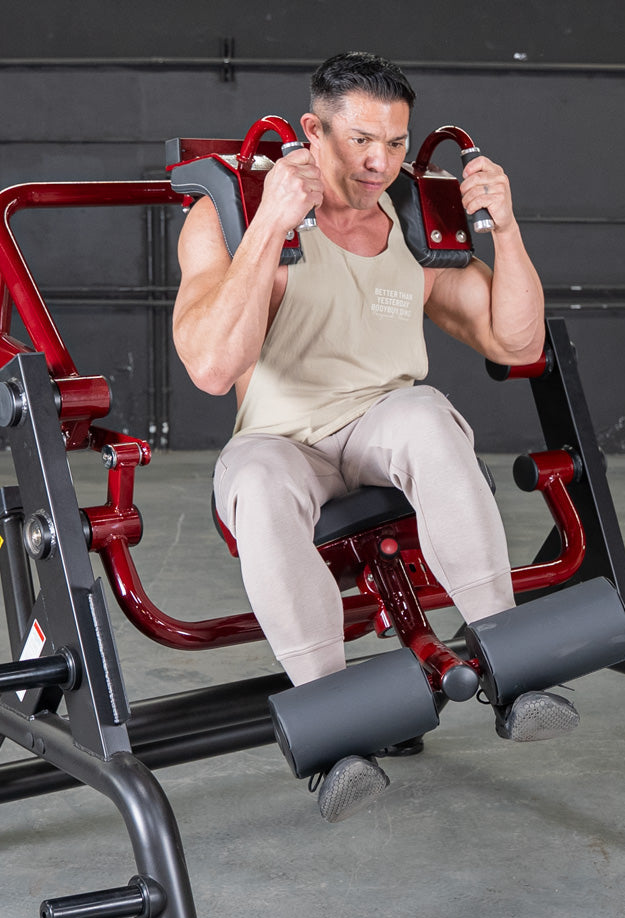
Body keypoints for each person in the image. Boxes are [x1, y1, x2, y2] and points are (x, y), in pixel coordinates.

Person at [172, 52, 578, 821]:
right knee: (254, 479)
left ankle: (509, 662)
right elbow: (211, 365)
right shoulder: (230, 211)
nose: (378, 162)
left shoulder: (413, 216)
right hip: (281, 442)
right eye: (361, 140)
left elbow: (517, 343)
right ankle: (336, 724)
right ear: (310, 132)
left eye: (395, 143)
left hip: (381, 428)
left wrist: (507, 229)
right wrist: (267, 227)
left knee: (424, 412)